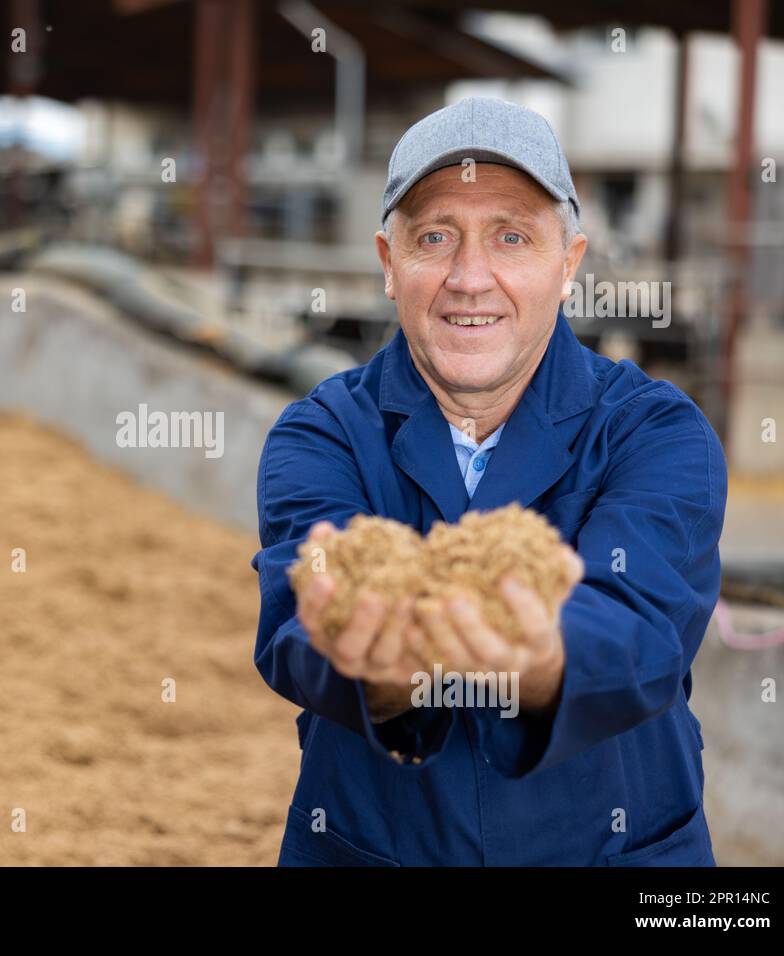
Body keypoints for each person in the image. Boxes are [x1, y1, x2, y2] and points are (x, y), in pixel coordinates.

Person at [251, 96, 727, 866]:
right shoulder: (323, 432)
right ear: (387, 263)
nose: (470, 278)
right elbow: (293, 624)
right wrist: (371, 659)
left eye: (512, 237)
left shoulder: (657, 432)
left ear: (568, 264)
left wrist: (544, 661)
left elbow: (643, 623)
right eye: (435, 237)